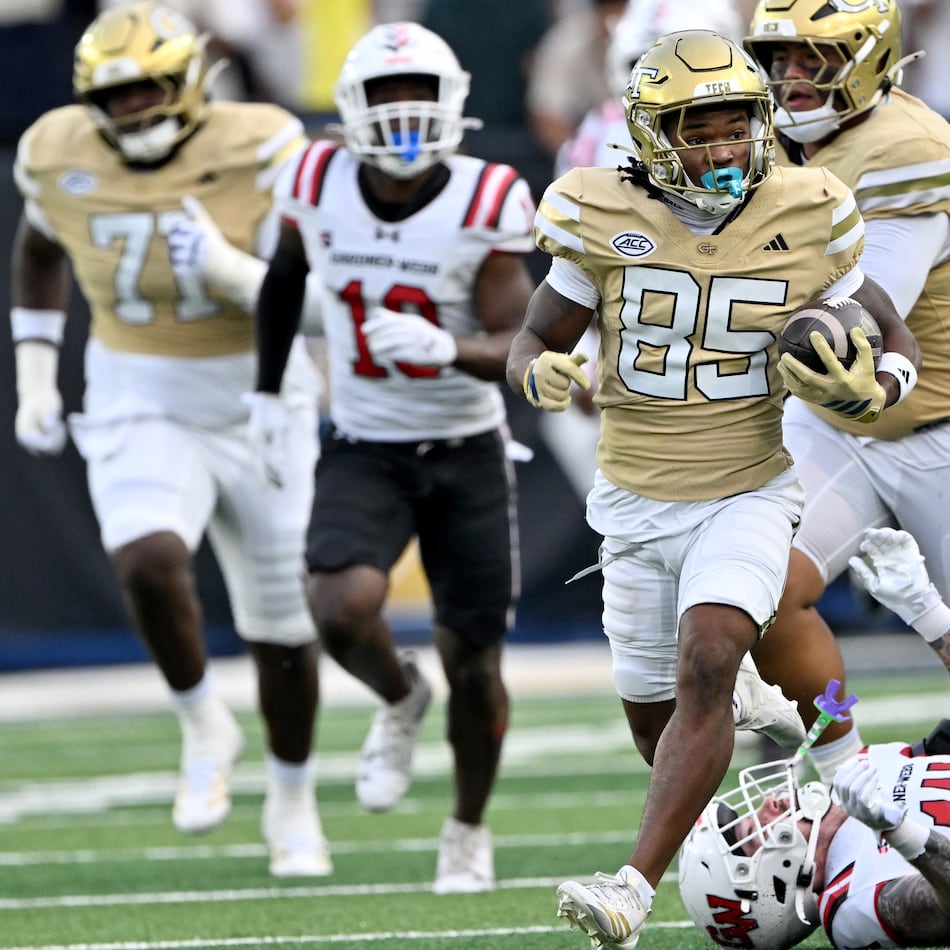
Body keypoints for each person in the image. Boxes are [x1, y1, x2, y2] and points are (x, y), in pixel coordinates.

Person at [505, 29, 921, 948]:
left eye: (738, 122)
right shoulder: (594, 207)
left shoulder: (810, 204)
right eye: (701, 128)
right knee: (656, 723)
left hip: (749, 487)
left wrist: (877, 389)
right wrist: (535, 370)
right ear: (654, 134)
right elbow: (535, 335)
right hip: (632, 503)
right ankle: (785, 797)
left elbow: (894, 335)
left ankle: (631, 887)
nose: (725, 145)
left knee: (711, 655)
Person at [10, 2, 328, 877]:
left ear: (189, 80)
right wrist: (35, 370)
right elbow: (38, 249)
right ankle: (201, 724)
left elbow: (321, 289)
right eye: (112, 98)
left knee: (282, 628)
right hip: (137, 387)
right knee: (147, 557)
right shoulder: (54, 148)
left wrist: (235, 275)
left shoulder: (264, 142)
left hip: (260, 392)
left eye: (147, 89)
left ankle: (293, 799)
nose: (131, 111)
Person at [248, 21, 537, 894]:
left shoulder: (486, 197)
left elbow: (520, 343)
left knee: (477, 662)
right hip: (366, 440)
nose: (405, 112)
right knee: (338, 607)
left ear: (452, 105)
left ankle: (466, 829)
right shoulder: (312, 177)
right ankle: (399, 693)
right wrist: (266, 391)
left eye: (419, 94)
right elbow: (283, 277)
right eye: (386, 95)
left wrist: (445, 348)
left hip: (465, 446)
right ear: (350, 109)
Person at [743, 0, 950, 785]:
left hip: (935, 424)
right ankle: (846, 779)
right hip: (832, 426)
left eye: (814, 60)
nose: (791, 80)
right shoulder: (759, 143)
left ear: (869, 58)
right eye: (780, 59)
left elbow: (855, 323)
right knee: (755, 591)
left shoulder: (908, 148)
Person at [679, 531, 950, 950]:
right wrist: (900, 831)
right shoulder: (852, 907)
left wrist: (926, 611)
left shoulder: (865, 778)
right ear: (775, 883)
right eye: (754, 830)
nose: (768, 803)